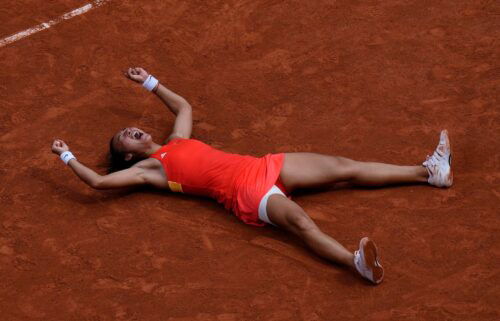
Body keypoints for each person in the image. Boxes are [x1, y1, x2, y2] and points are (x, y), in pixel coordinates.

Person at [51, 67, 453, 285]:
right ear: (126, 153)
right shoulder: (148, 171)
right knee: (300, 223)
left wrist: (152, 83)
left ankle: (429, 172)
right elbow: (99, 183)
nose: (132, 130)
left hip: (262, 165)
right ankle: (356, 265)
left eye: (130, 127)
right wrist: (67, 155)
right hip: (244, 192)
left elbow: (184, 107)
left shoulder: (175, 141)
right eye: (125, 136)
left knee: (344, 167)